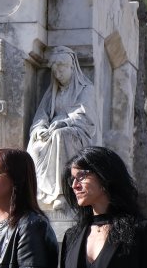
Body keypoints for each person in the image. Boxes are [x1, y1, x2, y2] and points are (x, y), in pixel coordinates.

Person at [27, 46, 96, 209]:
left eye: (62, 68)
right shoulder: (53, 92)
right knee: (35, 148)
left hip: (77, 132)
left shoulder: (86, 89)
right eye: (55, 71)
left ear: (72, 66)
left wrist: (65, 122)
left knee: (60, 135)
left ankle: (61, 193)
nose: (58, 74)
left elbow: (86, 117)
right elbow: (41, 115)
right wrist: (40, 129)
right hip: (51, 132)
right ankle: (38, 193)